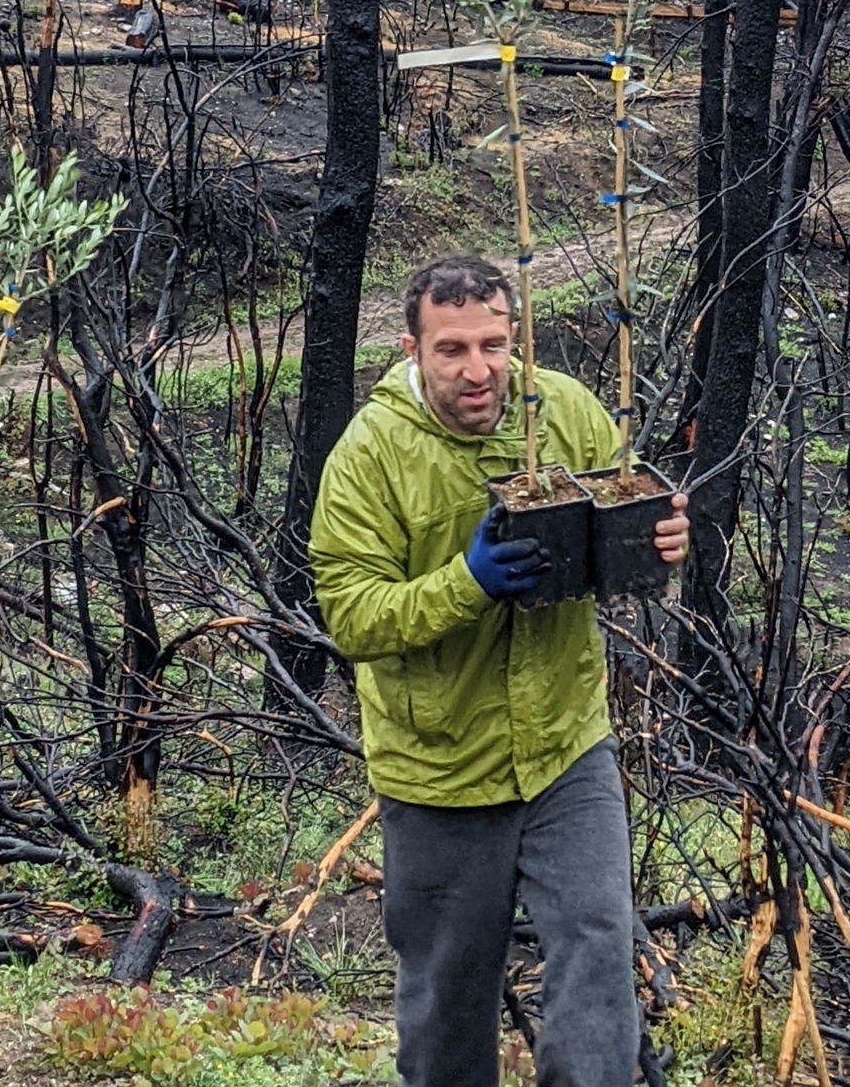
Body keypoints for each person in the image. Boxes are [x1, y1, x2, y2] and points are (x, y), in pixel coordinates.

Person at [310, 256, 691, 1087]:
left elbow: (626, 513)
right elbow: (351, 614)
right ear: (412, 348)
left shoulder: (565, 413)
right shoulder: (369, 456)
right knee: (447, 1008)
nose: (478, 369)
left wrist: (662, 541)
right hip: (440, 768)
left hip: (566, 745)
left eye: (493, 343)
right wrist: (468, 582)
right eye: (452, 350)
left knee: (597, 946)